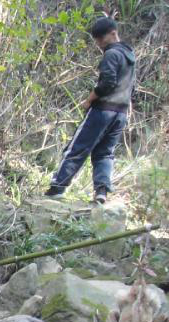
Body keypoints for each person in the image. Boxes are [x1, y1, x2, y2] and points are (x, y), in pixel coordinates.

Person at [45, 17, 135, 204]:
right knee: (104, 153)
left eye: (101, 39)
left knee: (77, 148)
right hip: (121, 113)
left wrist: (89, 100)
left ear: (113, 33)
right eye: (97, 40)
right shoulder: (129, 55)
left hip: (103, 110)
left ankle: (57, 188)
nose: (99, 43)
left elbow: (107, 83)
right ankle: (101, 192)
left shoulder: (112, 54)